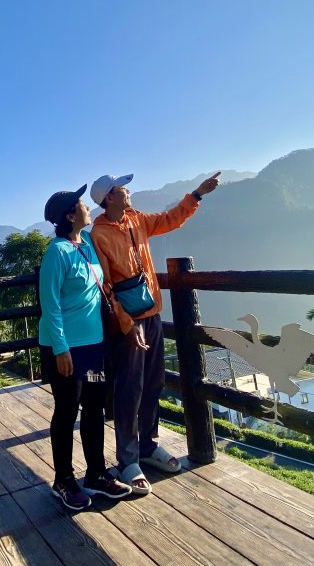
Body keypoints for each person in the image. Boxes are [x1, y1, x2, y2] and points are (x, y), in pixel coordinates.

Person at [90, 171, 222, 494]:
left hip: (152, 313)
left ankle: (148, 446)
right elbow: (104, 286)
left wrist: (197, 195)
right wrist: (124, 322)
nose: (128, 191)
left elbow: (170, 219)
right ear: (109, 197)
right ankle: (127, 458)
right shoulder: (99, 234)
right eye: (122, 189)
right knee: (129, 388)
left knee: (154, 381)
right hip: (128, 323)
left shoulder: (137, 219)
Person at [38, 185, 131, 511]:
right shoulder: (57, 252)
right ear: (69, 215)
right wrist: (61, 350)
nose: (88, 208)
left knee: (93, 408)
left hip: (94, 345)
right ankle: (63, 479)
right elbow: (50, 305)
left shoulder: (88, 243)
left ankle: (96, 474)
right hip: (66, 348)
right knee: (66, 411)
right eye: (82, 205)